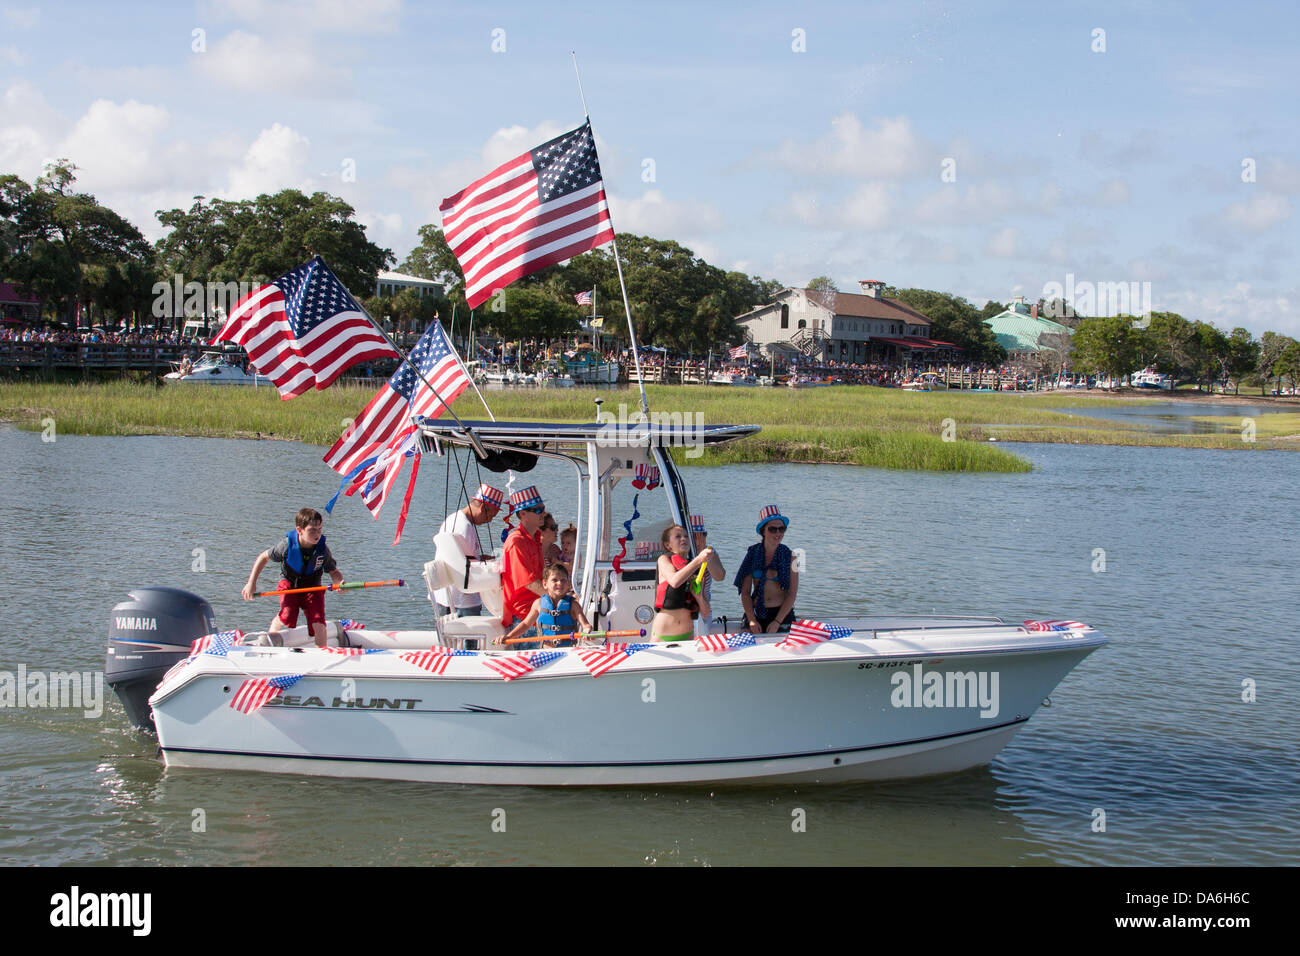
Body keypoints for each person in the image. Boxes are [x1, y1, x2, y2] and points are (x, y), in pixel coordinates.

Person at [242, 507, 344, 648]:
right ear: (299, 530)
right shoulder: (286, 545)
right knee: (288, 615)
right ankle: (273, 633)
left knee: (318, 623)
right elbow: (263, 557)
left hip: (312, 587)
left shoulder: (323, 550)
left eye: (319, 529)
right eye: (312, 530)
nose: (317, 534)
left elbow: (334, 572)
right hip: (289, 583)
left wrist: (339, 583)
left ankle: (321, 654)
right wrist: (251, 583)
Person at [432, 483, 503, 617]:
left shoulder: (453, 518)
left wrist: (481, 558)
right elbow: (466, 568)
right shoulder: (464, 527)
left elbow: (457, 557)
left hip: (444, 596)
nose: (490, 521)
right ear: (483, 508)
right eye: (491, 516)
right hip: (462, 600)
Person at [735, 505, 798, 634]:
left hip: (781, 614)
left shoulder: (791, 557)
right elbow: (745, 592)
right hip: (755, 612)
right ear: (763, 531)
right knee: (746, 647)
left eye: (781, 529)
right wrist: (752, 619)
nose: (778, 533)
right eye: (773, 529)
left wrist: (777, 622)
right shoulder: (752, 554)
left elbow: (792, 594)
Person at [500, 485, 547, 649]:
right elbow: (528, 582)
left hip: (537, 611)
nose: (543, 513)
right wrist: (556, 599)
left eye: (543, 508)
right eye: (538, 510)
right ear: (522, 514)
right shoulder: (516, 541)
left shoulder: (535, 537)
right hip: (523, 617)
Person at [503, 563, 591, 648]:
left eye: (563, 580)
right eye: (555, 580)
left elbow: (586, 625)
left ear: (568, 584)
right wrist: (509, 636)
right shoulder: (538, 604)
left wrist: (586, 630)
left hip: (568, 651)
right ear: (545, 584)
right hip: (545, 652)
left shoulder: (574, 605)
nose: (559, 583)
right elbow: (526, 624)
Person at [651, 524, 712, 642]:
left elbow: (705, 613)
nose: (683, 539)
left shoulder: (696, 569)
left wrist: (699, 597)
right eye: (678, 537)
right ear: (667, 545)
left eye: (686, 536)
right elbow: (674, 581)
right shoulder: (664, 560)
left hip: (687, 636)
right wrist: (699, 559)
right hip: (662, 636)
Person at [689, 514, 726, 637]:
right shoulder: (682, 554)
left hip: (703, 607)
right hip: (685, 608)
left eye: (702, 535)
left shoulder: (710, 552)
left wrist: (703, 553)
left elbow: (720, 576)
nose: (698, 539)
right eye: (694, 536)